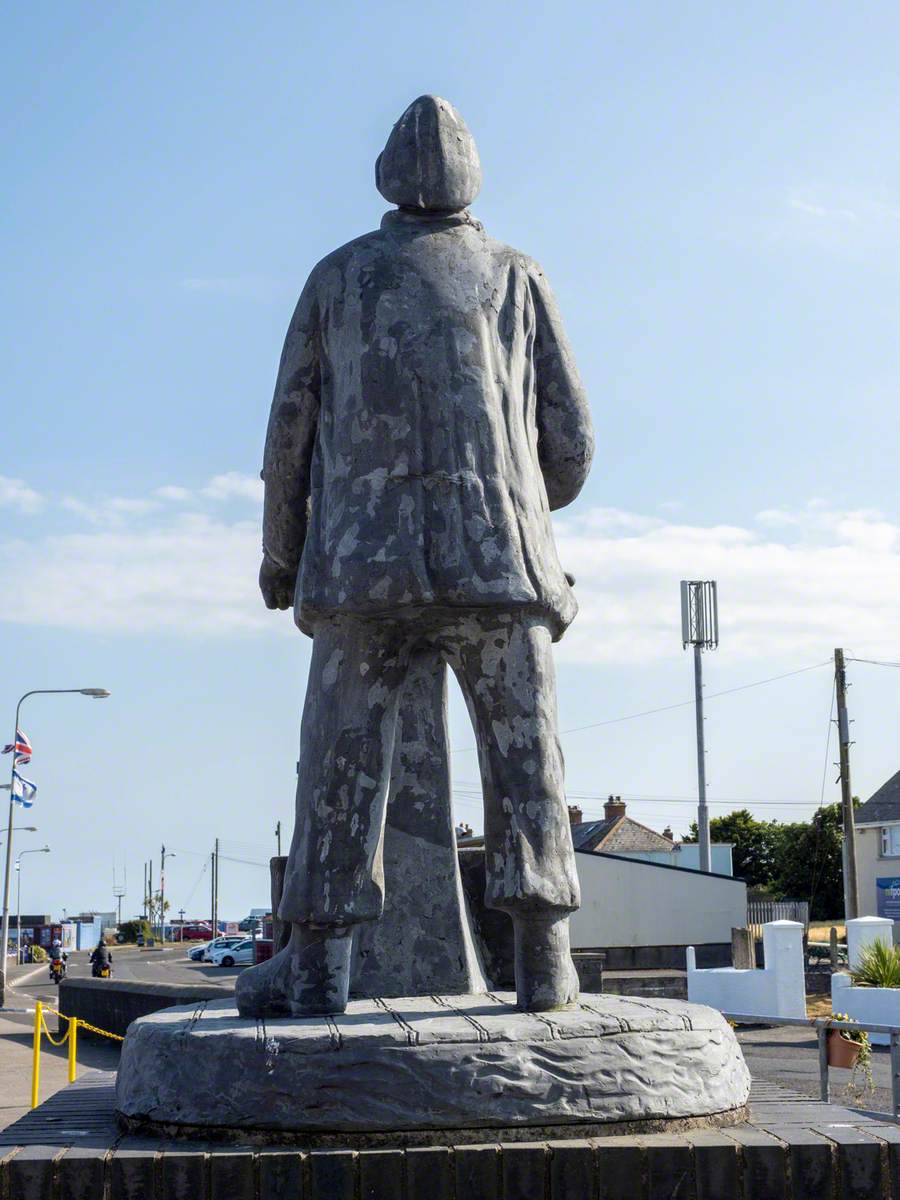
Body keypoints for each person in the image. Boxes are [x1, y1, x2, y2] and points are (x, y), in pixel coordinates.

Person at [236, 95, 593, 1020]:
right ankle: (546, 967)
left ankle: (316, 972)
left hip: (363, 568)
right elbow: (572, 440)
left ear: (390, 173)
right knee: (527, 764)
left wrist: (283, 555)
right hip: (503, 564)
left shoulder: (339, 278)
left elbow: (289, 435)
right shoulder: (517, 276)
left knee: (341, 763)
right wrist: (517, 511)